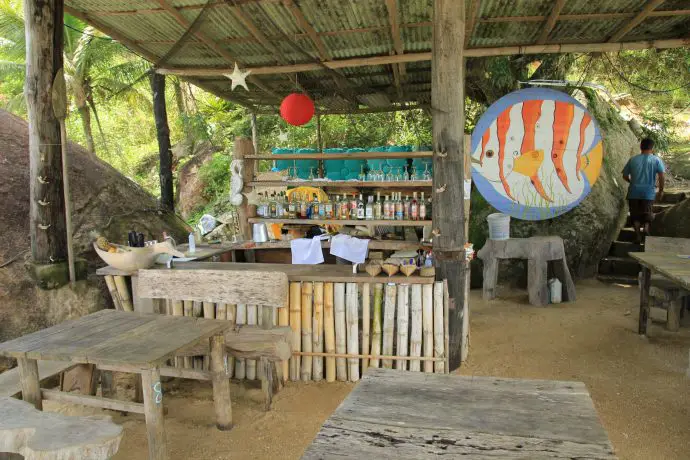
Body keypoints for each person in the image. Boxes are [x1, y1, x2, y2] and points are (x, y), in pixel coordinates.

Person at [622, 138, 665, 244]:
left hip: (634, 192)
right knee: (647, 213)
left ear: (641, 147)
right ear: (652, 148)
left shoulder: (633, 159)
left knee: (635, 215)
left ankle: (637, 236)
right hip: (648, 193)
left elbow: (625, 175)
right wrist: (661, 190)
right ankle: (646, 227)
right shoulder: (656, 160)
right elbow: (661, 175)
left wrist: (631, 182)